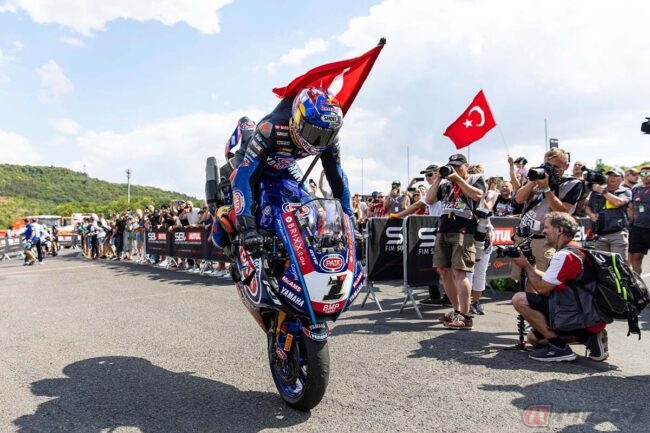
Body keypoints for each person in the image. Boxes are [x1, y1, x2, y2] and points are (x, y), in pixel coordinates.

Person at [232, 87, 352, 250]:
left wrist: (350, 225)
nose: (319, 141)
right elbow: (245, 175)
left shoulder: (330, 140)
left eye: (327, 135)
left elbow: (338, 180)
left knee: (309, 201)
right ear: (297, 120)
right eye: (313, 132)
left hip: (286, 165)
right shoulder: (271, 128)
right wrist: (248, 229)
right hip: (256, 164)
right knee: (236, 198)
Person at [511, 212, 610, 362]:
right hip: (585, 312)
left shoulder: (564, 256)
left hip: (577, 313)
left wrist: (526, 267)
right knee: (534, 339)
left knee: (519, 299)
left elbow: (543, 288)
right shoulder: (576, 249)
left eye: (546, 227)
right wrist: (531, 266)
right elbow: (551, 279)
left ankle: (559, 348)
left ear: (560, 230)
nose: (543, 231)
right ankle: (588, 337)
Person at [429, 154, 486, 330]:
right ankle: (457, 311)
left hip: (464, 229)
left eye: (458, 166)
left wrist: (459, 180)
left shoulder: (475, 179)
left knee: (460, 272)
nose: (454, 169)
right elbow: (429, 200)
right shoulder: (445, 184)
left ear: (466, 166)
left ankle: (466, 316)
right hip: (444, 227)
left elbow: (477, 195)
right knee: (443, 271)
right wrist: (438, 178)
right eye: (451, 166)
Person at [511, 148, 583, 280]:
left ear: (566, 166)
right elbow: (519, 199)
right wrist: (533, 181)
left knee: (542, 280)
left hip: (545, 241)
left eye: (556, 167)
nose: (550, 170)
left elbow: (562, 212)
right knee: (520, 278)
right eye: (547, 165)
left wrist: (546, 188)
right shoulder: (537, 176)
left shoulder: (572, 183)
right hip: (523, 237)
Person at [584, 168, 632, 261]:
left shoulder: (624, 191)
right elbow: (588, 207)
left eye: (616, 176)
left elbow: (618, 202)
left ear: (622, 179)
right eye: (610, 175)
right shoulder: (596, 191)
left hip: (617, 234)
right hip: (599, 234)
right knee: (603, 264)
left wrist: (602, 191)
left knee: (619, 263)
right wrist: (591, 214)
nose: (612, 178)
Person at [628, 165, 650, 274]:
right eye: (643, 174)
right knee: (636, 256)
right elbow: (631, 208)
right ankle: (637, 282)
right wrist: (629, 224)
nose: (645, 176)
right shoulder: (636, 188)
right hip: (638, 228)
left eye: (648, 173)